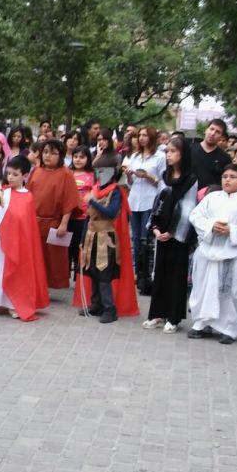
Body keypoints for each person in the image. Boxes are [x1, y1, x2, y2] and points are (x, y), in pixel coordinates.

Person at [186, 164, 237, 344]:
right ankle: (201, 323)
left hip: (230, 254)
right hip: (207, 251)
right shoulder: (212, 198)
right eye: (225, 176)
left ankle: (229, 328)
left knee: (229, 293)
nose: (227, 179)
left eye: (232, 177)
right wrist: (211, 226)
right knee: (203, 289)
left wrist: (231, 230)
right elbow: (196, 216)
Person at [0, 155, 49, 320]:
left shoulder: (28, 197)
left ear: (25, 175)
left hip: (17, 242)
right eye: (9, 174)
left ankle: (11, 303)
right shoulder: (3, 192)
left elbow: (26, 223)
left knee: (14, 271)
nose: (11, 177)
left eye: (15, 174)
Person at [74, 152, 139, 324]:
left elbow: (111, 212)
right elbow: (88, 217)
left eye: (103, 170)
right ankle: (96, 304)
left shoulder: (116, 191)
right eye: (98, 171)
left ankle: (110, 309)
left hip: (106, 237)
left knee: (104, 273)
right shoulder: (96, 188)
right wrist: (82, 240)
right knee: (92, 271)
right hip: (91, 235)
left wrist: (93, 201)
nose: (100, 174)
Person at [143, 136, 198, 334]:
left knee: (176, 275)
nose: (169, 155)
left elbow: (188, 207)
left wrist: (173, 232)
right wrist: (156, 229)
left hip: (178, 235)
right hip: (161, 232)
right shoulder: (165, 176)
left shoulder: (191, 179)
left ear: (183, 155)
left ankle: (173, 317)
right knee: (160, 273)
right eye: (167, 151)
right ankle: (157, 313)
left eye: (173, 151)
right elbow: (158, 202)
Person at [26, 138, 79, 289]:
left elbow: (70, 200)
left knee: (54, 257)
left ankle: (52, 283)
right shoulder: (36, 171)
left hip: (54, 220)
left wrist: (64, 223)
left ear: (60, 156)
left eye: (53, 153)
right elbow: (28, 195)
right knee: (36, 255)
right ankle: (37, 283)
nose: (48, 156)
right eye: (46, 152)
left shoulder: (66, 174)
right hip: (35, 220)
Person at [126, 126, 166, 288]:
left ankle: (146, 273)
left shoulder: (160, 157)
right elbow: (130, 183)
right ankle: (137, 271)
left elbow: (163, 182)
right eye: (139, 135)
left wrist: (148, 176)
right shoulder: (135, 156)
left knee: (146, 237)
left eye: (144, 135)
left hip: (150, 200)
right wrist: (129, 175)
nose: (141, 138)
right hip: (134, 199)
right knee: (135, 238)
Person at [68, 146, 94, 278]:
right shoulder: (68, 173)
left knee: (80, 245)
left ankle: (79, 274)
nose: (78, 160)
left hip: (84, 215)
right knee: (68, 245)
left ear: (88, 159)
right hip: (68, 215)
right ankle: (66, 272)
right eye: (76, 157)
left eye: (82, 157)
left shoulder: (91, 175)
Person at [191, 119, 231, 188]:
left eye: (217, 132)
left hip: (212, 196)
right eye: (211, 129)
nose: (212, 133)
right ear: (206, 130)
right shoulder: (190, 150)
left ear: (221, 137)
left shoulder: (225, 158)